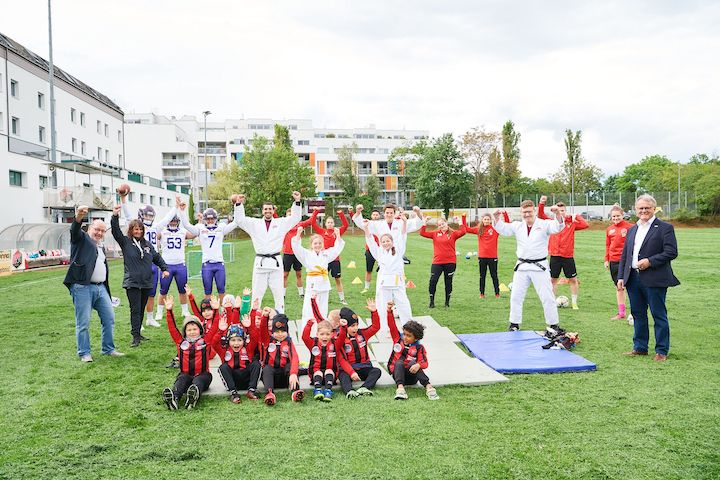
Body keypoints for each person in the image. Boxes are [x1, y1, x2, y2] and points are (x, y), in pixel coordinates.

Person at [617, 194, 680, 362]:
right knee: (638, 314)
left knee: (658, 314)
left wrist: (650, 261)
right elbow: (625, 255)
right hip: (633, 278)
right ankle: (640, 347)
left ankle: (661, 350)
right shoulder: (632, 229)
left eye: (647, 208)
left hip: (655, 278)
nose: (643, 211)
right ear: (636, 210)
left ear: (654, 208)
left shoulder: (665, 228)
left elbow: (671, 252)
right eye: (640, 208)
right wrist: (621, 276)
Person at [493, 200, 566, 334]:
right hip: (522, 266)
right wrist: (497, 218)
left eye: (529, 211)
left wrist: (558, 214)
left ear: (534, 211)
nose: (527, 214)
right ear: (521, 212)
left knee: (547, 296)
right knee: (516, 296)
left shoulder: (544, 224)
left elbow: (558, 226)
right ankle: (514, 324)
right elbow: (503, 229)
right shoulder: (518, 226)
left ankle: (553, 324)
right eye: (524, 212)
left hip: (540, 266)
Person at [64, 205, 124, 362]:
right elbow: (74, 231)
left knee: (109, 318)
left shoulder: (100, 247)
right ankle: (84, 353)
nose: (99, 233)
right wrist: (78, 217)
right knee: (83, 322)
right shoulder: (81, 239)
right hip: (82, 287)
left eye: (103, 231)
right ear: (89, 228)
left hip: (100, 288)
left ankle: (108, 349)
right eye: (97, 229)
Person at [233, 192, 303, 313]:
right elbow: (239, 220)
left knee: (279, 294)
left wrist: (297, 202)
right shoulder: (254, 223)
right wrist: (238, 204)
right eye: (265, 209)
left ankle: (280, 318)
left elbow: (295, 218)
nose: (268, 211)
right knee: (256, 294)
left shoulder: (281, 223)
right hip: (260, 264)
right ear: (262, 211)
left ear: (273, 210)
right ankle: (254, 319)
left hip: (275, 264)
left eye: (270, 209)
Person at [110, 205, 169, 348]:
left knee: (142, 308)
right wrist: (115, 216)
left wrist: (164, 268)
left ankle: (139, 333)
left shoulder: (147, 244)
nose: (138, 231)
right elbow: (115, 231)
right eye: (135, 229)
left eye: (140, 229)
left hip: (146, 282)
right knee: (135, 309)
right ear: (131, 230)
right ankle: (135, 336)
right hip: (133, 282)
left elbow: (156, 257)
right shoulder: (125, 242)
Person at [178, 195, 242, 302]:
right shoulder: (200, 228)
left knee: (221, 290)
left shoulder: (221, 227)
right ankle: (208, 311)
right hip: (207, 264)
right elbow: (186, 225)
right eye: (208, 219)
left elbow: (236, 222)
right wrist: (182, 211)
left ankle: (223, 311)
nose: (210, 220)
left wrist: (238, 206)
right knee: (207, 291)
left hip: (219, 263)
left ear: (216, 219)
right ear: (204, 219)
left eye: (212, 218)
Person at [161, 295, 218, 410]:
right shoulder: (180, 342)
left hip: (203, 376)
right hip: (186, 375)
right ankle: (174, 398)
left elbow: (215, 326)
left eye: (195, 329)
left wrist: (216, 310)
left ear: (200, 330)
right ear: (185, 332)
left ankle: (193, 397)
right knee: (182, 379)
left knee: (198, 380)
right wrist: (169, 310)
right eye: (189, 330)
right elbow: (172, 328)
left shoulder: (205, 341)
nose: (192, 332)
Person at [119, 191, 163, 328]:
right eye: (147, 215)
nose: (149, 218)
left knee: (151, 293)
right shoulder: (135, 226)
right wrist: (123, 199)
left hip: (151, 261)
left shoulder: (155, 227)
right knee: (137, 297)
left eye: (151, 215)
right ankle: (138, 323)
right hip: (138, 264)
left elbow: (167, 219)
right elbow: (127, 216)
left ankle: (149, 318)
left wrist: (177, 208)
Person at [537, 197, 589, 309]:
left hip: (568, 256)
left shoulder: (572, 223)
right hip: (555, 255)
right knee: (553, 280)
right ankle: (551, 303)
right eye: (558, 211)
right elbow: (540, 215)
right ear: (555, 212)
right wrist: (542, 203)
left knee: (573, 280)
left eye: (563, 211)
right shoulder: (551, 222)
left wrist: (576, 216)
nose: (561, 213)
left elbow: (585, 225)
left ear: (566, 211)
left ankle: (574, 303)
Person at [362, 216, 412, 329]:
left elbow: (403, 235)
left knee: (403, 303)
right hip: (384, 282)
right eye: (383, 242)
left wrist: (404, 222)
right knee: (382, 304)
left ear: (392, 242)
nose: (385, 243)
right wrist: (366, 228)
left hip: (397, 281)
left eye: (388, 241)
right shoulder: (378, 252)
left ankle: (408, 326)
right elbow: (370, 240)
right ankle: (385, 327)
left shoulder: (398, 250)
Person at [291, 226, 345, 330]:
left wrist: (338, 235)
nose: (318, 245)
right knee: (309, 308)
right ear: (311, 245)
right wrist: (298, 234)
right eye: (315, 243)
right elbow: (297, 248)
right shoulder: (306, 254)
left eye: (320, 243)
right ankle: (307, 330)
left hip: (324, 284)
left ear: (323, 244)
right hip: (312, 284)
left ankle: (321, 330)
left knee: (322, 309)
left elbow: (336, 249)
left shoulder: (326, 254)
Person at [387, 307, 439, 401]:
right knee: (399, 362)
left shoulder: (419, 348)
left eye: (409, 336)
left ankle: (429, 387)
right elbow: (392, 326)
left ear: (416, 338)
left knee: (413, 363)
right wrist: (389, 312)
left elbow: (425, 363)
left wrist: (418, 365)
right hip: (397, 373)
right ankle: (400, 389)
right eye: (404, 334)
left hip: (412, 377)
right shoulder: (398, 339)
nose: (405, 337)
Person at [335, 298, 382, 399]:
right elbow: (340, 357)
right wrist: (351, 373)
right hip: (348, 369)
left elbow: (375, 327)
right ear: (345, 325)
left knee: (376, 371)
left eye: (357, 325)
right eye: (352, 326)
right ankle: (350, 391)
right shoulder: (339, 338)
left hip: (364, 367)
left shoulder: (362, 334)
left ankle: (364, 388)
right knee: (343, 376)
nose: (355, 328)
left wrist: (374, 312)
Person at [156, 206, 195, 319]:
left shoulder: (183, 231)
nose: (173, 223)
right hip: (166, 265)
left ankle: (184, 310)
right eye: (171, 221)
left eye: (175, 221)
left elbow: (194, 234)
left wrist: (200, 223)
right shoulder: (162, 231)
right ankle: (159, 312)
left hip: (180, 265)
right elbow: (153, 235)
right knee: (163, 290)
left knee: (182, 289)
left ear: (178, 222)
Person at [258, 310, 304, 405]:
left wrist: (293, 373)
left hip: (284, 378)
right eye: (277, 331)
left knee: (289, 366)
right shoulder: (267, 340)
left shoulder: (288, 342)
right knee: (266, 369)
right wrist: (264, 317)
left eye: (283, 331)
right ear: (272, 331)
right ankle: (270, 394)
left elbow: (295, 358)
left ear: (287, 331)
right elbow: (262, 329)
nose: (280, 334)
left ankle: (295, 391)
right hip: (271, 379)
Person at [419, 216, 466, 308]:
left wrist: (460, 221)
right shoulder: (435, 234)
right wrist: (425, 222)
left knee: (448, 282)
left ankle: (447, 303)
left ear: (446, 223)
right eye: (439, 225)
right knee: (433, 281)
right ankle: (432, 302)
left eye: (443, 224)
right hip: (437, 262)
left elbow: (463, 231)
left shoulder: (453, 233)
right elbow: (422, 233)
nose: (441, 226)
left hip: (450, 262)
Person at [212, 315, 262, 403]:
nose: (236, 343)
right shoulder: (224, 350)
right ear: (228, 341)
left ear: (244, 340)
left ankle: (252, 390)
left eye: (239, 340)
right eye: (233, 340)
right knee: (223, 367)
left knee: (256, 364)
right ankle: (233, 393)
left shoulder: (248, 348)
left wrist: (249, 327)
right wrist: (220, 331)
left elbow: (255, 338)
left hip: (247, 379)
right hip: (233, 380)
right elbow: (214, 343)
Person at [463, 212, 509, 299]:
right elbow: (466, 229)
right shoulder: (479, 229)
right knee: (482, 276)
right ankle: (482, 294)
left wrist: (505, 214)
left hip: (493, 257)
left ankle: (497, 294)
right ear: (482, 220)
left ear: (490, 220)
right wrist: (463, 217)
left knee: (494, 276)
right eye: (485, 219)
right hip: (482, 257)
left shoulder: (495, 229)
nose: (486, 221)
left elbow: (507, 225)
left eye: (488, 219)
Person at [311, 209, 350, 304]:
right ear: (325, 224)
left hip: (335, 260)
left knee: (337, 279)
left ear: (333, 223)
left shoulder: (337, 232)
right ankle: (322, 297)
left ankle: (342, 298)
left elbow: (345, 225)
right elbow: (313, 223)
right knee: (323, 278)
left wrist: (341, 214)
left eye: (331, 222)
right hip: (324, 260)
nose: (330, 224)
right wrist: (316, 212)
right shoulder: (322, 232)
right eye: (328, 222)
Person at [605, 204, 634, 322]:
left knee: (632, 287)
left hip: (627, 261)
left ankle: (634, 313)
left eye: (618, 216)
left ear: (623, 215)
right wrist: (606, 259)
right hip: (614, 261)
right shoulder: (609, 229)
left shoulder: (630, 227)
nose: (616, 218)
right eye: (613, 216)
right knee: (619, 287)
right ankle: (621, 313)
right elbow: (608, 245)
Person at [282, 207, 320, 298]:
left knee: (299, 274)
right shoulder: (283, 225)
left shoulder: (300, 224)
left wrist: (316, 211)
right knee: (285, 275)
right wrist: (274, 211)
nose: (291, 217)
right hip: (287, 253)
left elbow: (310, 221)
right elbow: (274, 219)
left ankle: (301, 293)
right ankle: (282, 294)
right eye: (289, 215)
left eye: (292, 215)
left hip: (297, 254)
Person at [302, 316, 340, 402]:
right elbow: (304, 337)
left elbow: (342, 336)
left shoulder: (335, 343)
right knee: (318, 372)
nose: (325, 337)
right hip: (316, 374)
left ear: (332, 334)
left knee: (329, 371)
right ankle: (318, 390)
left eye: (327, 334)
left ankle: (328, 391)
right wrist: (309, 325)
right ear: (317, 334)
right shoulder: (313, 343)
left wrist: (344, 326)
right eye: (322, 334)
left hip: (331, 375)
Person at [358, 208, 381, 293]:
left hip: (381, 251)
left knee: (383, 269)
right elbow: (358, 221)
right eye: (373, 215)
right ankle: (366, 288)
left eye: (376, 215)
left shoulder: (382, 225)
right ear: (371, 216)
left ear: (379, 216)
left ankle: (381, 286)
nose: (375, 216)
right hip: (370, 250)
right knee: (368, 270)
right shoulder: (367, 224)